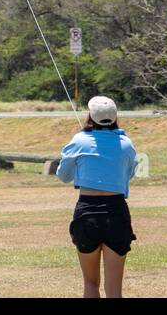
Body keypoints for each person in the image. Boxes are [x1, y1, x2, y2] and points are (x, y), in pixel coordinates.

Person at [56, 95, 138, 299]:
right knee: (114, 292)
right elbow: (128, 174)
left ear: (90, 116)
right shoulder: (126, 143)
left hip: (87, 213)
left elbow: (63, 176)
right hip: (116, 213)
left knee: (90, 284)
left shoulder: (79, 141)